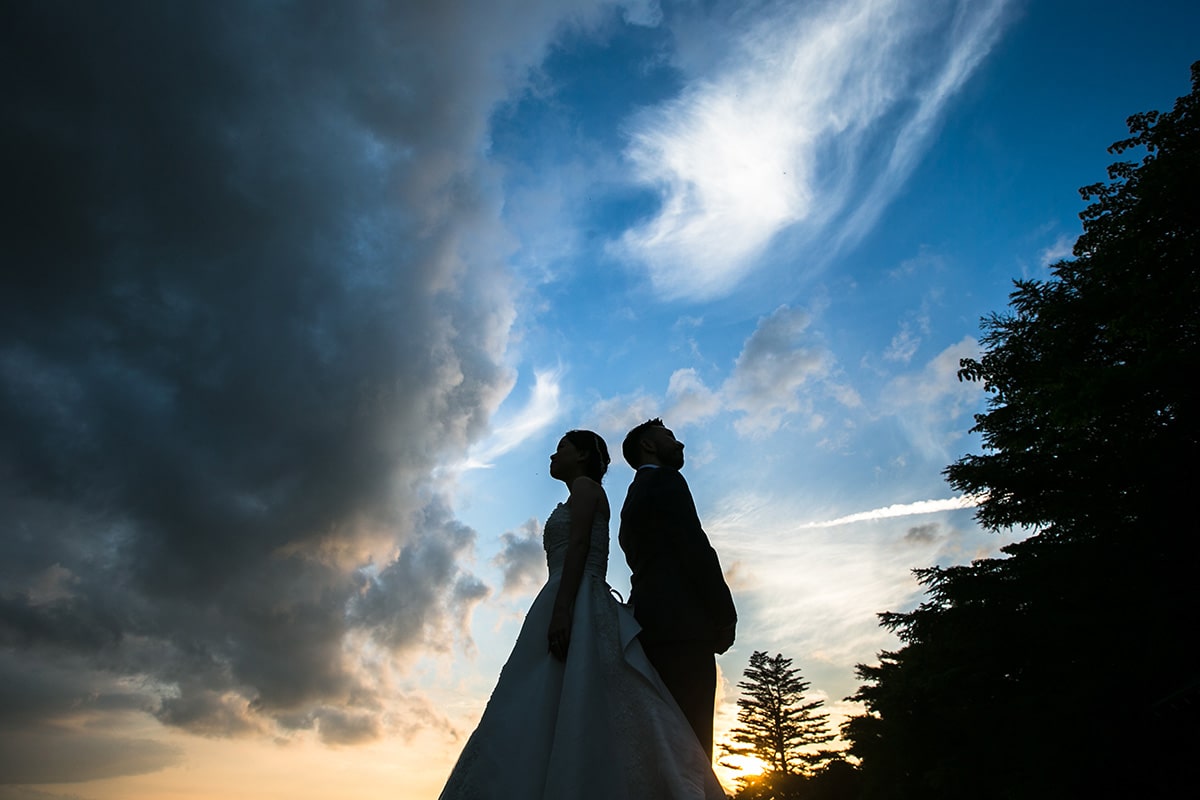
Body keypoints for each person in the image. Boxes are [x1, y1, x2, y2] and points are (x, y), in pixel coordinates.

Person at [438, 429, 726, 800]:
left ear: (584, 455)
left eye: (562, 449)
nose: (553, 457)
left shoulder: (588, 490)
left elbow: (578, 547)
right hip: (563, 592)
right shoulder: (584, 495)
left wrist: (563, 608)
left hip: (575, 596)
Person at [618, 419, 737, 760]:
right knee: (694, 747)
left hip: (649, 629)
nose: (680, 443)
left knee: (664, 747)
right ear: (649, 446)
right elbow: (694, 549)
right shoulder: (667, 481)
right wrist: (724, 615)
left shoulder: (631, 499)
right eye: (669, 436)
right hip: (685, 629)